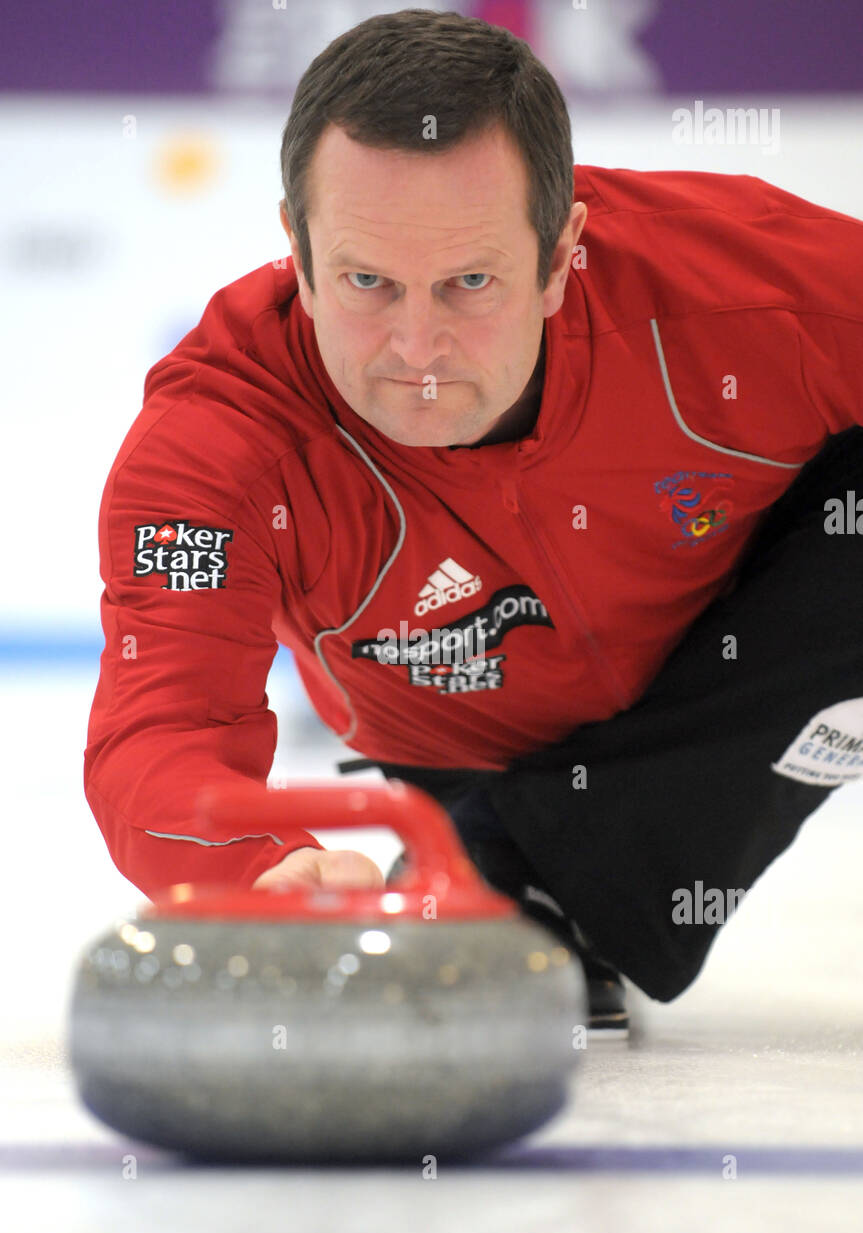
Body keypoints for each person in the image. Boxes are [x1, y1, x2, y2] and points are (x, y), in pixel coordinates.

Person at [84, 9, 863, 1030]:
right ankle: (502, 849)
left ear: (560, 252)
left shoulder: (747, 291)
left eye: (469, 283)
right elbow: (161, 732)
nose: (416, 347)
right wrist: (265, 869)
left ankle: (528, 868)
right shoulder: (214, 448)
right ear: (297, 248)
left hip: (727, 650)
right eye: (366, 282)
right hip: (455, 733)